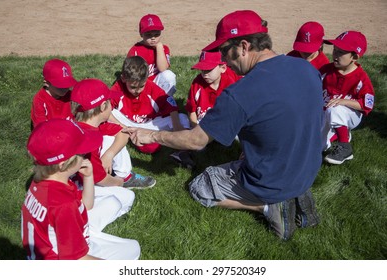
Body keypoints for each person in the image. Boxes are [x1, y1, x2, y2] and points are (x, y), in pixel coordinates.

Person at [126, 10, 324, 241]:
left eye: (224, 51)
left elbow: (195, 140)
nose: (224, 60)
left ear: (243, 46)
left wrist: (152, 136)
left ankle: (269, 207)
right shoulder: (307, 69)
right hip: (308, 168)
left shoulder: (241, 92)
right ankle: (298, 195)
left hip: (272, 178)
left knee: (199, 186)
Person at [22, 119, 140, 259]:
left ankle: (88, 236)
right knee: (133, 249)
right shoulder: (62, 203)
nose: (85, 155)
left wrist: (88, 176)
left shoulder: (44, 182)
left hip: (60, 240)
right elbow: (77, 260)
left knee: (117, 201)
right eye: (81, 153)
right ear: (63, 164)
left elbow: (86, 205)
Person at [70, 78, 156, 190]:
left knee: (110, 138)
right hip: (80, 187)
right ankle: (122, 181)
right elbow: (99, 179)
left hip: (87, 176)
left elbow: (123, 133)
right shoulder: (87, 140)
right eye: (110, 102)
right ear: (102, 106)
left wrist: (109, 155)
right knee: (126, 198)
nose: (112, 106)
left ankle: (127, 177)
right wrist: (118, 182)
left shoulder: (93, 124)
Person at [170, 51, 241, 169]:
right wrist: (194, 129)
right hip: (205, 124)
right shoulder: (198, 83)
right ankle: (182, 153)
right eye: (202, 70)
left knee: (242, 134)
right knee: (185, 125)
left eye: (208, 70)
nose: (204, 74)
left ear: (222, 68)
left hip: (227, 122)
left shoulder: (231, 81)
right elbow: (191, 111)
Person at [110, 56, 190, 155]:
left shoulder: (151, 87)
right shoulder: (118, 87)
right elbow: (105, 108)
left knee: (183, 118)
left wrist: (177, 127)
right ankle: (131, 135)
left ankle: (139, 137)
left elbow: (170, 105)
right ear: (123, 79)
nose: (137, 90)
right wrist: (125, 127)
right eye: (133, 87)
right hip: (127, 123)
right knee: (108, 112)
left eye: (141, 86)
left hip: (150, 123)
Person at [321, 31, 374, 164]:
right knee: (316, 146)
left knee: (336, 109)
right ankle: (338, 133)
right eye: (335, 50)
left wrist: (344, 101)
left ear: (354, 57)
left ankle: (345, 146)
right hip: (325, 112)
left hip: (350, 114)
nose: (335, 55)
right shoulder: (326, 70)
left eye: (341, 52)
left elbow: (366, 105)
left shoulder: (361, 78)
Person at [127, 14, 176, 96]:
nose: (153, 38)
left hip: (157, 83)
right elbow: (131, 75)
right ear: (141, 34)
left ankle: (165, 102)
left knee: (169, 75)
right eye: (148, 35)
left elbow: (162, 69)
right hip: (141, 85)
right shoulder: (135, 50)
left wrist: (159, 47)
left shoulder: (164, 48)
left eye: (156, 34)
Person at [30, 58, 77, 128]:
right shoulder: (40, 100)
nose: (65, 88)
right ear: (46, 83)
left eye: (67, 85)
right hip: (50, 134)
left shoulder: (70, 95)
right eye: (60, 86)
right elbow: (40, 129)